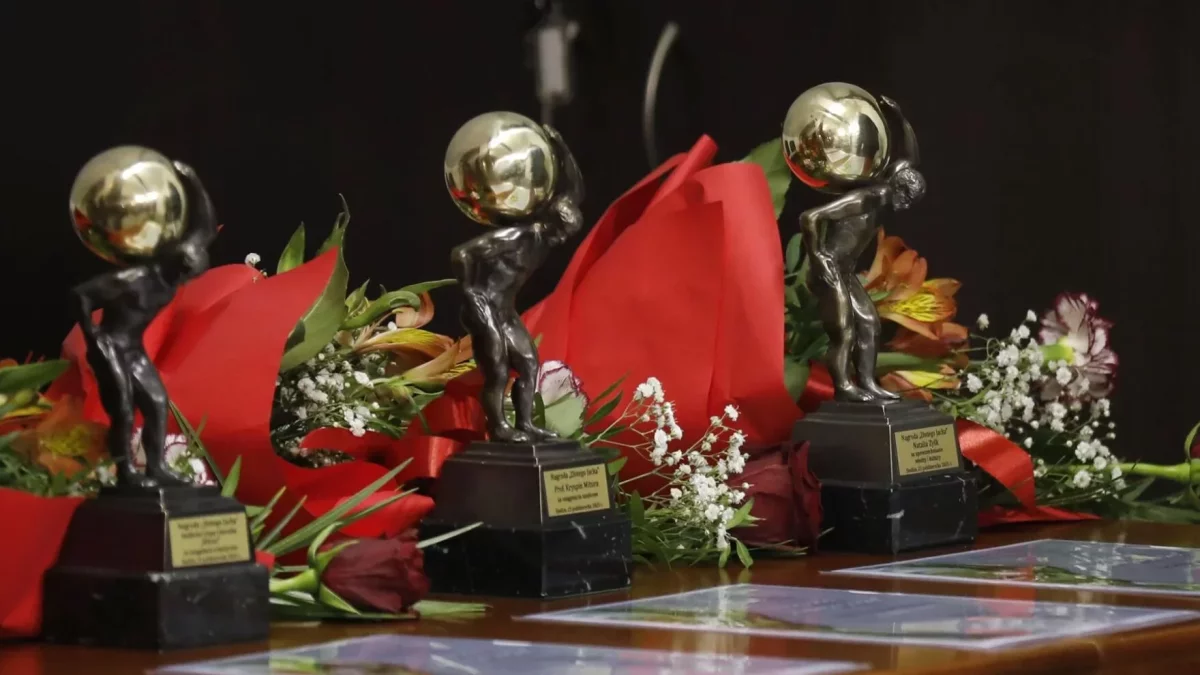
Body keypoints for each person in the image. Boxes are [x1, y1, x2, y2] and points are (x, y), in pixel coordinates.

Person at [71, 162, 217, 487]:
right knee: (123, 409)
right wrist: (92, 334)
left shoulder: (175, 275)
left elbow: (205, 227)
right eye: (183, 271)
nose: (184, 279)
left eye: (189, 275)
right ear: (172, 258)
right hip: (110, 345)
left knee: (157, 403)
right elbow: (81, 295)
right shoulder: (134, 278)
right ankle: (125, 472)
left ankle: (156, 467)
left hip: (134, 349)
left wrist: (192, 179)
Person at [451, 126, 583, 443]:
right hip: (483, 304)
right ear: (549, 221)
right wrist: (470, 292)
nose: (561, 239)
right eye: (559, 231)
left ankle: (525, 424)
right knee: (497, 370)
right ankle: (498, 427)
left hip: (505, 310)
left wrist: (560, 146)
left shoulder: (547, 238)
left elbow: (575, 190)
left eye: (566, 235)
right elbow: (462, 253)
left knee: (528, 363)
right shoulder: (518, 237)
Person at [799, 97, 925, 403]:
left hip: (845, 271)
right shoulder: (866, 199)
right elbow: (810, 217)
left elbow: (911, 157)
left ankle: (868, 382)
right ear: (898, 190)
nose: (905, 207)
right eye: (906, 199)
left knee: (869, 323)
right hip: (829, 268)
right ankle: (844, 387)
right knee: (844, 331)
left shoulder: (888, 191)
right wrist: (818, 257)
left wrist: (900, 117)